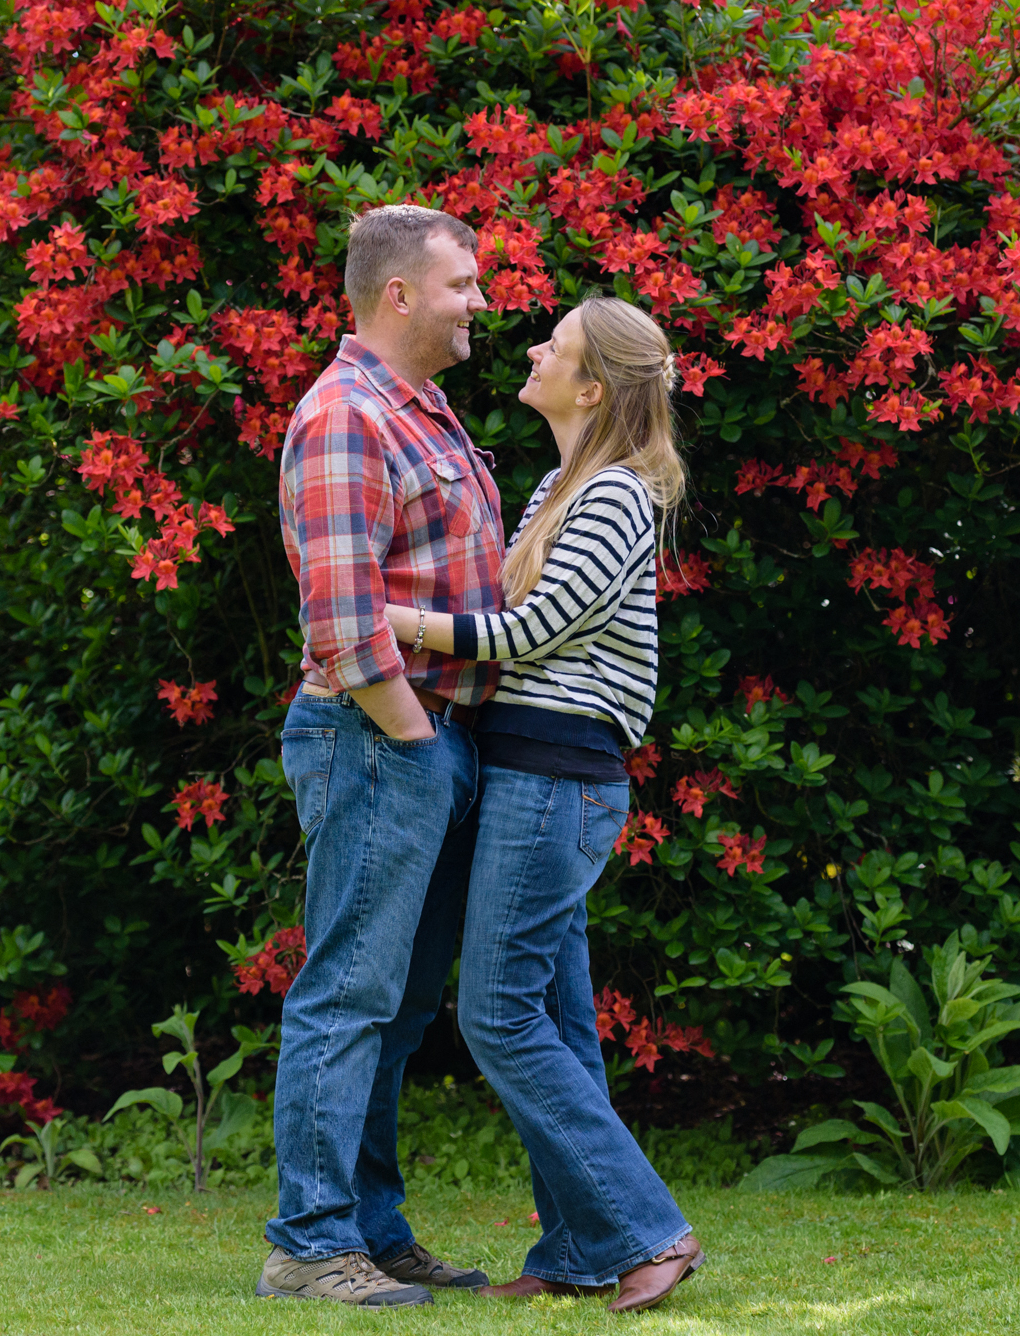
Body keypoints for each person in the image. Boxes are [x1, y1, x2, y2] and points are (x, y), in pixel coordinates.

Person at [381, 295, 703, 1314]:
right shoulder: (563, 486)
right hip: (531, 771)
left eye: (552, 345)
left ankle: (649, 1229)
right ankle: (575, 1245)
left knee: (497, 1011)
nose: (530, 348)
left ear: (593, 384)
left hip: (557, 776)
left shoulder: (611, 493)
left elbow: (530, 628)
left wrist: (389, 619)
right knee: (557, 1019)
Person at [260, 204, 504, 1307]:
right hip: (377, 739)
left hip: (429, 739)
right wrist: (416, 743)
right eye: (462, 283)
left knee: (397, 1008)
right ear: (398, 293)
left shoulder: (425, 413)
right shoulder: (347, 416)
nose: (480, 302)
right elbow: (345, 621)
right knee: (348, 993)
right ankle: (309, 1244)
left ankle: (371, 1225)